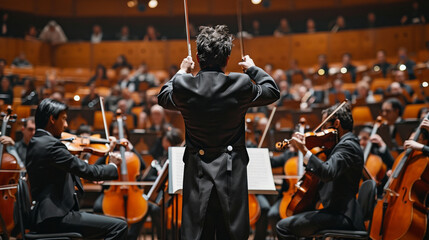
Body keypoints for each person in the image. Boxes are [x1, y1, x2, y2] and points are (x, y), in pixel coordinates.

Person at [158, 25, 280, 239]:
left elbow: (163, 96)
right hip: (231, 175)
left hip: (197, 176)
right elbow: (272, 91)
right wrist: (252, 69)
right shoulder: (240, 83)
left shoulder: (184, 85)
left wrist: (182, 70)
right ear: (227, 58)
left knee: (199, 233)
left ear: (197, 56)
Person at [25, 98, 128, 239]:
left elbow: (74, 168)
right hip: (55, 216)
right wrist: (112, 166)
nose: (66, 125)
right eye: (64, 119)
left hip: (49, 215)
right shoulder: (51, 146)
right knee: (119, 226)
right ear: (52, 119)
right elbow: (88, 171)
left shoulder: (38, 142)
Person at [276, 102, 365, 238]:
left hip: (342, 215)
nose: (322, 131)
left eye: (324, 126)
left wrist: (304, 150)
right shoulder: (339, 145)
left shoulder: (348, 146)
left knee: (282, 227)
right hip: (335, 211)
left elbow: (327, 172)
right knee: (297, 220)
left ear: (336, 124)